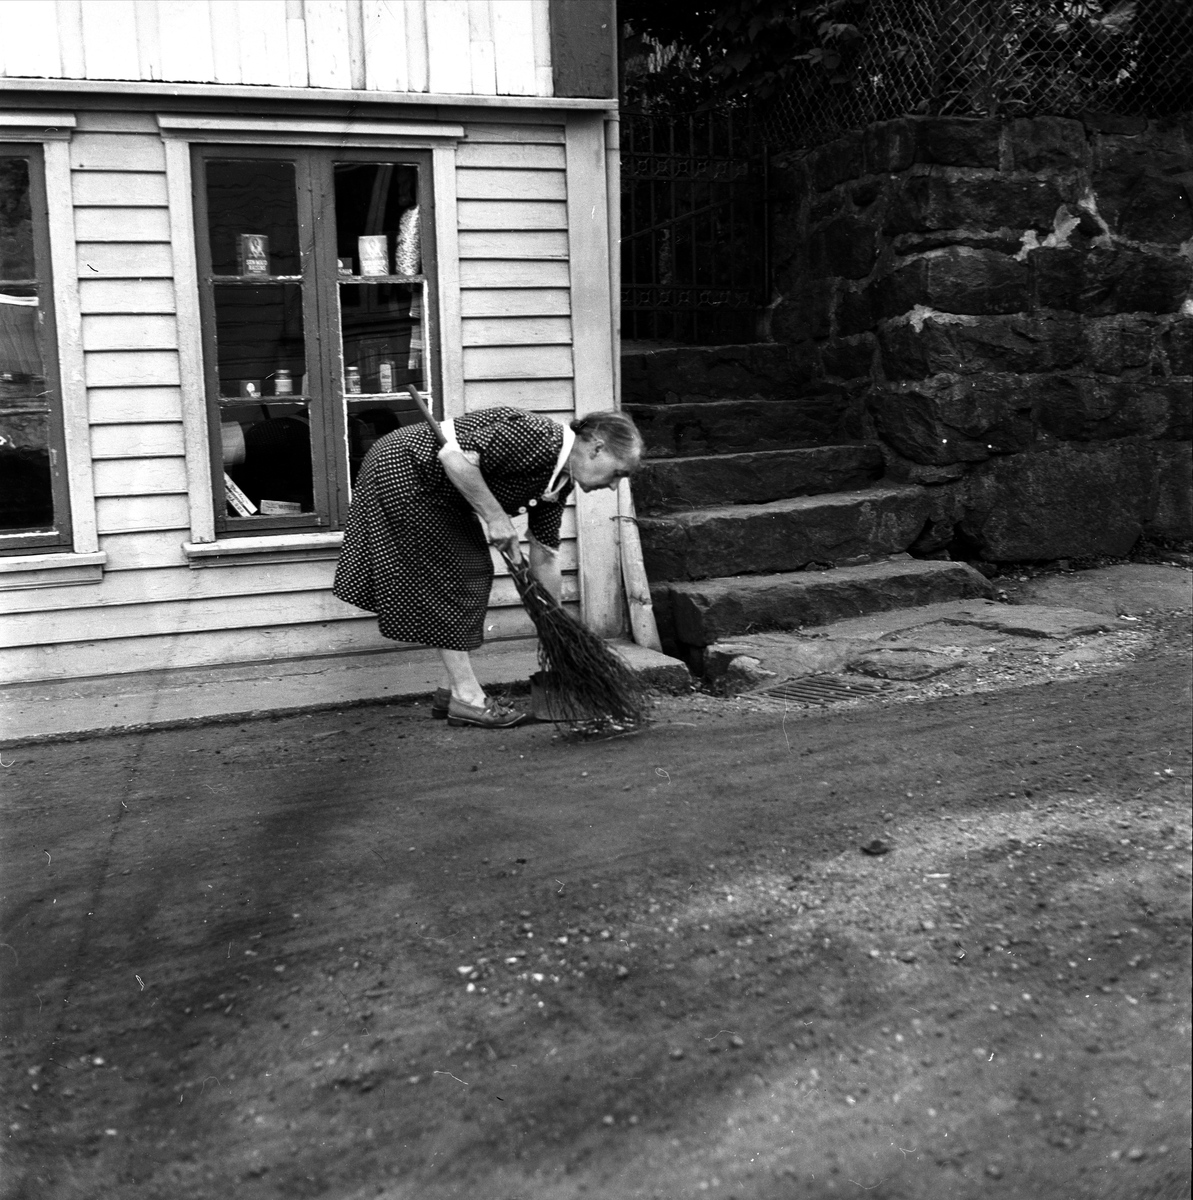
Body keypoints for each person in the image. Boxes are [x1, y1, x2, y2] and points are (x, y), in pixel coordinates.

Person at [333, 406, 644, 728]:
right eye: (619, 473)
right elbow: (455, 459)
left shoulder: (558, 482)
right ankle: (466, 698)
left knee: (472, 573)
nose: (613, 486)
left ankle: (449, 690)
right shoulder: (540, 437)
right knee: (455, 574)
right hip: (404, 467)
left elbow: (544, 554)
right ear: (597, 447)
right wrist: (496, 518)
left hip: (439, 489)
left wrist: (552, 621)